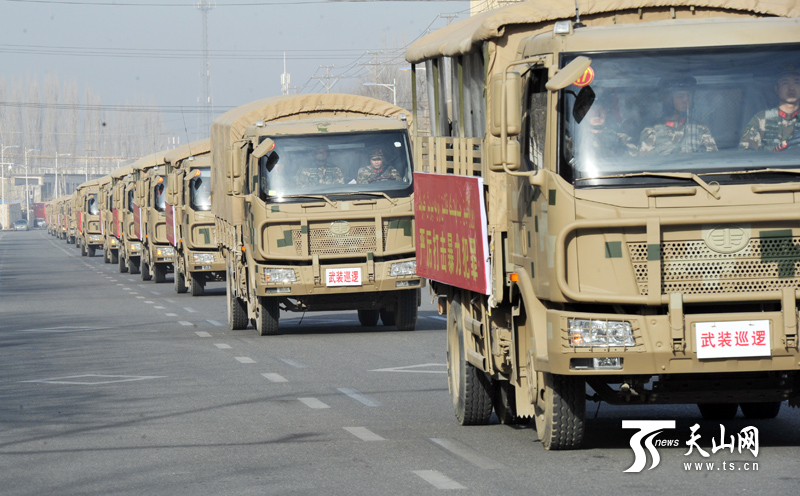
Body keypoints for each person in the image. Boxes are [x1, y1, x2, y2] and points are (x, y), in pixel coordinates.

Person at [639, 75, 717, 155]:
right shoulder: (651, 131)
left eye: (689, 96)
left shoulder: (701, 129)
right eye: (680, 96)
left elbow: (712, 159)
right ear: (668, 99)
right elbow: (645, 163)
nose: (686, 100)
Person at [739, 62, 800, 152]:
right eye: (785, 83)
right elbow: (745, 153)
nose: (791, 88)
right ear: (776, 89)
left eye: (796, 82)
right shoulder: (761, 119)